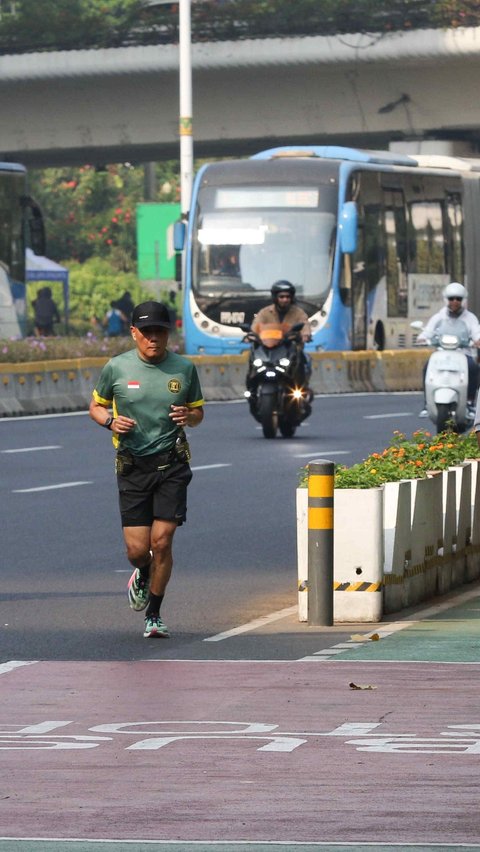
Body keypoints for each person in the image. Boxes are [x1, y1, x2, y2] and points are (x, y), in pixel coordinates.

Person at [89, 300, 204, 639]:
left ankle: (154, 613)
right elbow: (94, 406)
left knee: (163, 541)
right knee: (138, 550)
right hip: (132, 467)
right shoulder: (117, 368)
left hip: (172, 464)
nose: (154, 338)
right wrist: (110, 421)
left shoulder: (183, 369)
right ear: (134, 332)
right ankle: (142, 570)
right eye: (148, 331)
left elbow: (198, 413)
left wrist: (189, 416)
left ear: (168, 333)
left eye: (160, 331)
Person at [416, 282, 480, 417]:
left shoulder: (470, 318)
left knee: (474, 367)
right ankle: (427, 403)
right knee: (427, 367)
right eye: (451, 299)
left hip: (463, 355)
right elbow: (428, 332)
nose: (455, 302)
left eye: (458, 299)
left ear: (463, 300)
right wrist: (422, 338)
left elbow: (476, 333)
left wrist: (477, 341)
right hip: (442, 354)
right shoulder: (439, 317)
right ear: (446, 300)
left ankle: (469, 402)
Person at [251, 280, 312, 390]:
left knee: (301, 359)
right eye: (282, 297)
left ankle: (301, 388)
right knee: (252, 358)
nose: (285, 300)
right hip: (269, 348)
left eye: (288, 297)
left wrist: (305, 335)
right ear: (275, 298)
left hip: (289, 348)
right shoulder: (265, 312)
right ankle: (252, 389)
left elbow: (305, 325)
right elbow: (256, 326)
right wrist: (251, 335)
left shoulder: (299, 312)